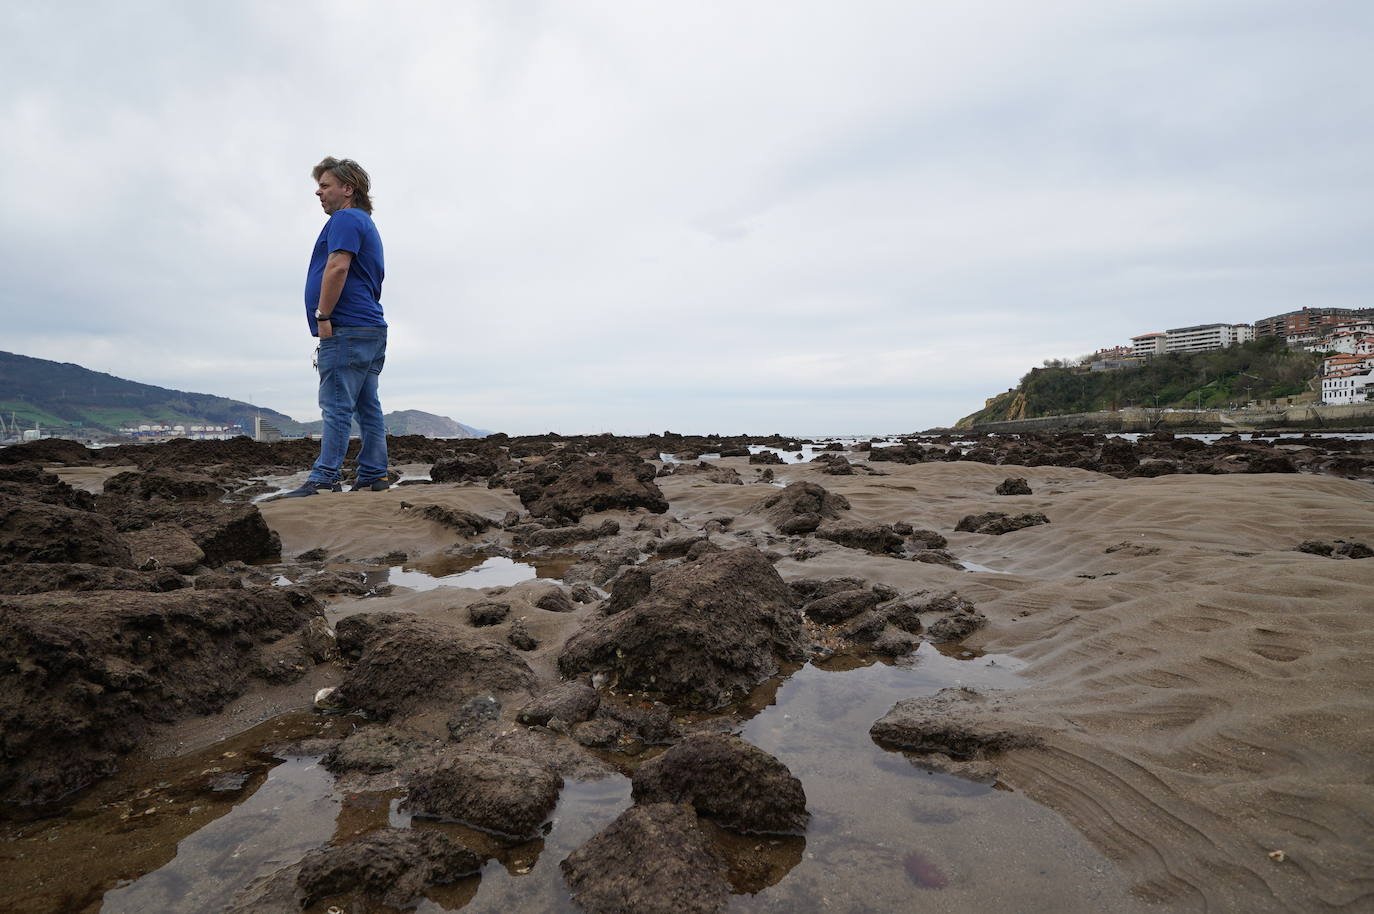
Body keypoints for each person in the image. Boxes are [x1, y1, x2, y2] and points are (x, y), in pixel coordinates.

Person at [281, 157, 390, 496]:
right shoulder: (362, 221)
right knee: (367, 406)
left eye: (325, 185)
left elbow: (337, 267)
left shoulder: (345, 218)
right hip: (369, 329)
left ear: (347, 189)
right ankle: (373, 475)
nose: (318, 192)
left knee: (336, 405)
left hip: (348, 328)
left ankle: (325, 478)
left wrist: (323, 316)